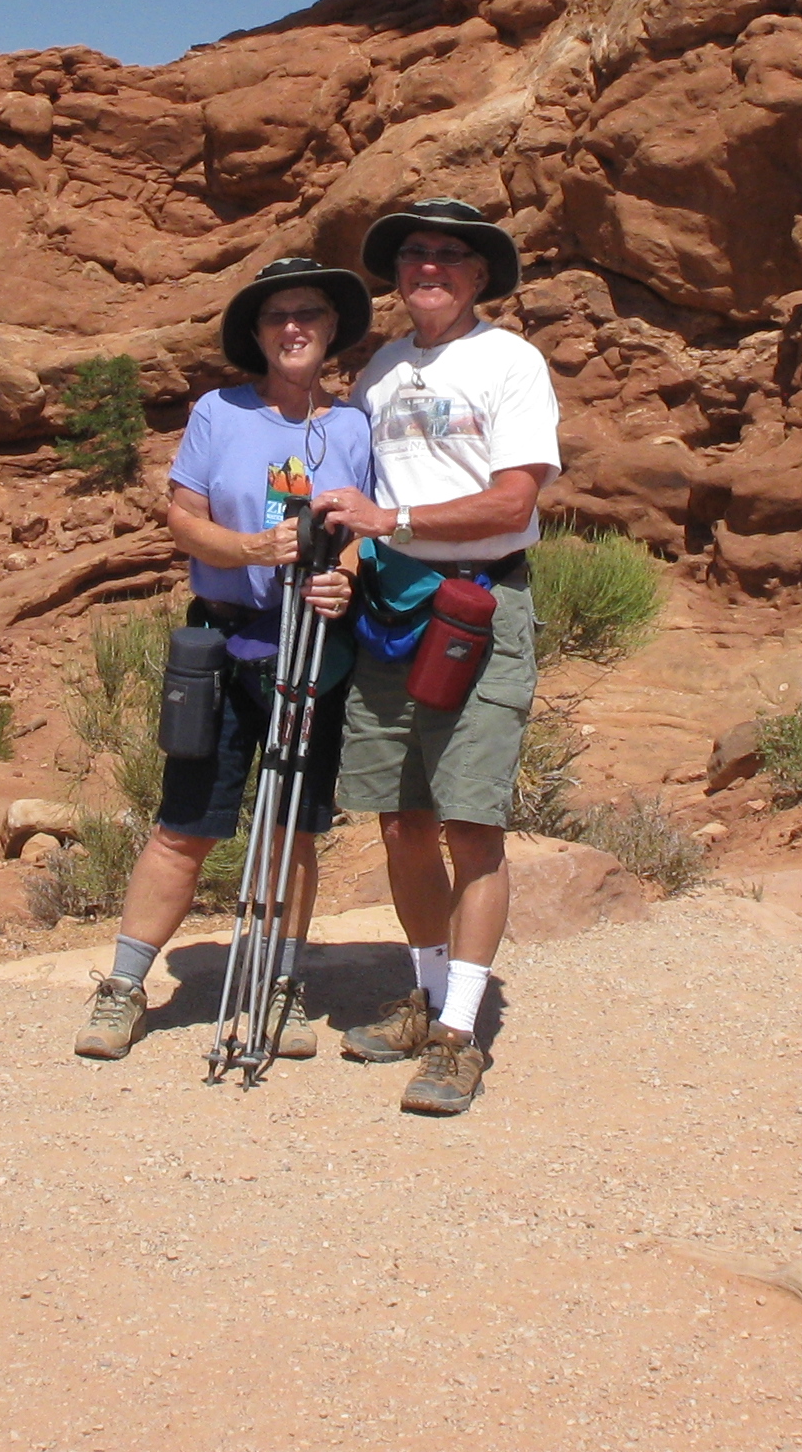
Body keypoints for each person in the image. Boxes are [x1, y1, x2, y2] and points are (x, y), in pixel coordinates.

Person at [74, 255, 373, 1062]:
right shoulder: (219, 411)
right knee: (186, 824)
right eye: (278, 316)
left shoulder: (351, 426)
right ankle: (125, 987)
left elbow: (361, 540)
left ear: (333, 327)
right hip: (227, 638)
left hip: (312, 651)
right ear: (258, 332)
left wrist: (343, 580)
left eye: (309, 312)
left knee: (292, 829)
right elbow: (183, 517)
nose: (294, 327)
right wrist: (249, 546)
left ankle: (280, 983)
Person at [314, 195, 559, 1117]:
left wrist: (398, 522)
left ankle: (460, 1034)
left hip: (477, 607)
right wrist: (348, 551)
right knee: (399, 819)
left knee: (471, 824)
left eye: (450, 257)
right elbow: (362, 493)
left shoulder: (510, 362)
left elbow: (511, 503)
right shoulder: (381, 371)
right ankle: (423, 1000)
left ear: (479, 275)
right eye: (414, 254)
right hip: (390, 613)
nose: (429, 267)